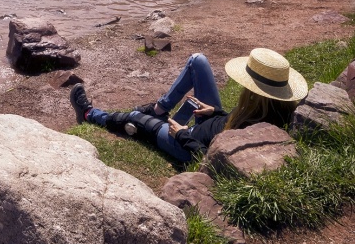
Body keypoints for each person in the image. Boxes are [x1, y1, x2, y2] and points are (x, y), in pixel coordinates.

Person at [69, 48, 308, 163]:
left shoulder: (263, 133)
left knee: (135, 119)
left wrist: (183, 135)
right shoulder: (268, 110)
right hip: (210, 124)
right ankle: (158, 111)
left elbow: (212, 161)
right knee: (198, 61)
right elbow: (231, 124)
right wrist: (216, 112)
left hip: (187, 142)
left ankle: (89, 114)